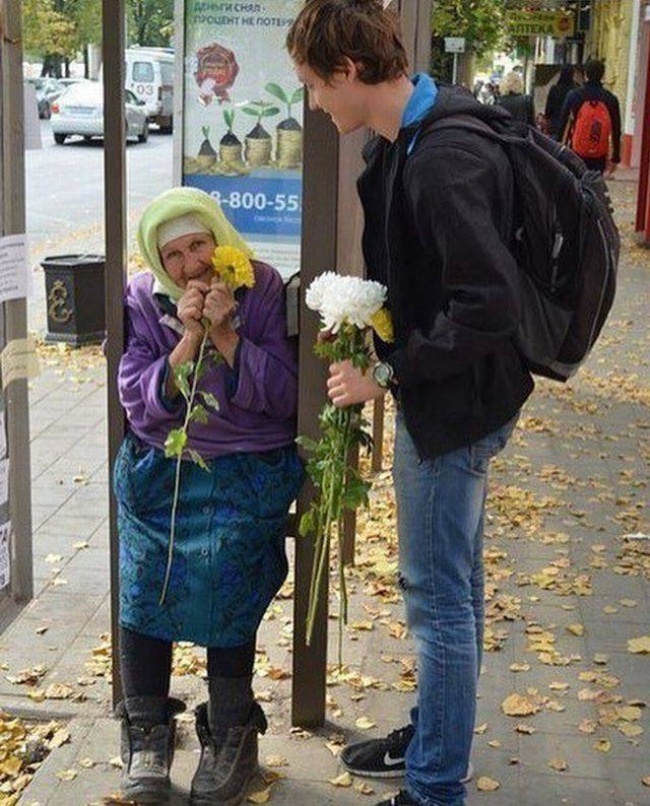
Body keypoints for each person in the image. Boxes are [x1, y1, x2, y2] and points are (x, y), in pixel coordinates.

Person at [287, 3, 534, 806]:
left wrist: (385, 378)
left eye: (316, 87)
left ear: (349, 72)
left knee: (439, 600)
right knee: (450, 589)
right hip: (459, 400)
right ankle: (436, 738)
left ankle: (434, 787)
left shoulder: (442, 158)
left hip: (452, 411)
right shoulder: (415, 135)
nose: (317, 105)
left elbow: (487, 303)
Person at [113, 186, 304, 805]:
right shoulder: (144, 300)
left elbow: (283, 395)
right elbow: (137, 394)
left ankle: (230, 733)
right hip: (165, 469)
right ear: (157, 261)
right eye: (175, 255)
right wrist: (189, 337)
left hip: (245, 466)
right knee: (148, 580)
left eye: (200, 244)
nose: (192, 264)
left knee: (229, 574)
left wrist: (227, 335)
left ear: (220, 239)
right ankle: (146, 731)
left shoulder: (263, 287)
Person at [557, 57, 621, 175]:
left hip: (577, 151)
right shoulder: (611, 99)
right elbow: (616, 129)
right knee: (595, 184)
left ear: (585, 74)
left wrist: (557, 146)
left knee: (576, 182)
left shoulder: (574, 95)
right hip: (600, 153)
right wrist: (616, 157)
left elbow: (563, 122)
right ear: (602, 75)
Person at [543, 64, 579, 139]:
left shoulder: (554, 89)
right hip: (571, 128)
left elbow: (548, 110)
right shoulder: (576, 91)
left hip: (555, 126)